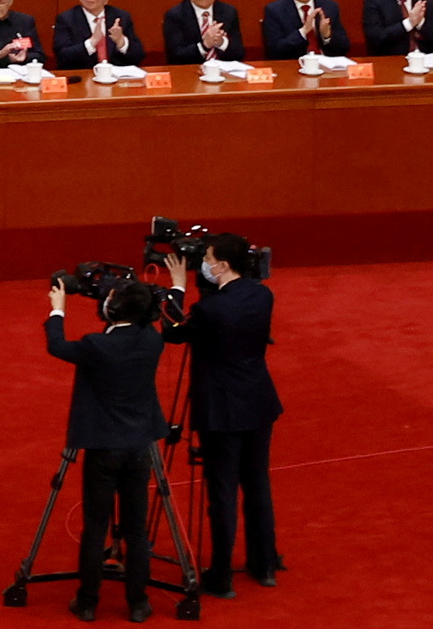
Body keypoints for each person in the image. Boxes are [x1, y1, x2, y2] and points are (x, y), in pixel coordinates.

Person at [44, 275, 169, 620]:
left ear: (112, 309)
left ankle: (87, 602)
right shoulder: (152, 340)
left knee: (96, 526)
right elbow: (145, 313)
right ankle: (138, 603)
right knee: (136, 528)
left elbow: (57, 346)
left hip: (103, 448)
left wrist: (58, 310)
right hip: (139, 445)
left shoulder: (97, 345)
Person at [174, 233, 283, 594]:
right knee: (257, 484)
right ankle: (264, 564)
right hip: (257, 401)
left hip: (221, 410)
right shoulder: (262, 295)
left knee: (222, 492)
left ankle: (221, 575)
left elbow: (173, 332)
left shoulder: (209, 310)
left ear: (221, 265)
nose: (203, 264)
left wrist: (177, 289)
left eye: (207, 258)